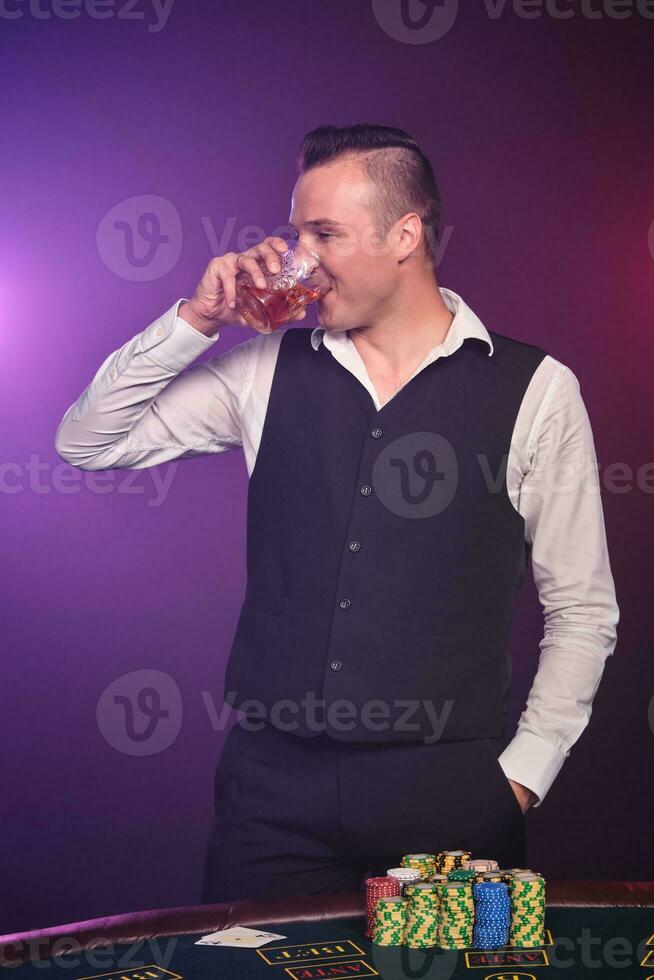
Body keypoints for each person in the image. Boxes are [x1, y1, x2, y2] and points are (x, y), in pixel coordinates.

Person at [55, 123, 619, 903]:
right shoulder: (260, 370)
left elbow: (584, 610)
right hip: (272, 797)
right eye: (298, 233)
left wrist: (521, 779)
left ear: (405, 235)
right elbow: (88, 441)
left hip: (450, 794)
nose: (301, 257)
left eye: (325, 233)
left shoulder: (538, 389)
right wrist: (198, 318)